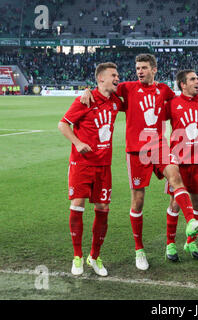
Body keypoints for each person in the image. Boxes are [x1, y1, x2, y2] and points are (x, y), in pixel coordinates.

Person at [81, 54, 198, 270]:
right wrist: (87, 90)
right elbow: (105, 89)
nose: (139, 71)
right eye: (137, 67)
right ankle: (139, 250)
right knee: (138, 200)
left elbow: (183, 98)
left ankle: (191, 222)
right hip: (136, 150)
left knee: (175, 176)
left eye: (144, 67)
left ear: (154, 70)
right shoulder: (127, 87)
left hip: (159, 145)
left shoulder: (164, 90)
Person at [58, 62, 123, 276]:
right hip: (82, 163)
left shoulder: (115, 101)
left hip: (104, 165)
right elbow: (63, 124)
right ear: (101, 78)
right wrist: (77, 143)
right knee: (78, 204)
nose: (117, 78)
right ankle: (77, 256)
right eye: (113, 75)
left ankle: (94, 257)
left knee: (103, 208)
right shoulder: (85, 100)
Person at [164, 69, 198, 261]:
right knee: (176, 203)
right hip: (178, 162)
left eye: (197, 78)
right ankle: (170, 244)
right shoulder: (172, 104)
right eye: (193, 79)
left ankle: (191, 241)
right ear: (182, 84)